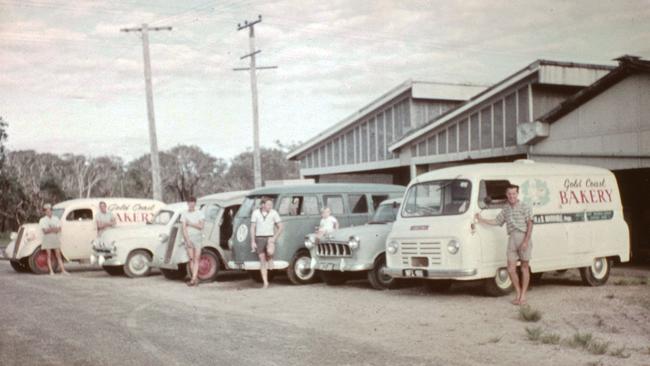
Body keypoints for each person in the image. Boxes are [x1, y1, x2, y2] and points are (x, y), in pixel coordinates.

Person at [475, 184, 533, 305]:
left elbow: (530, 224)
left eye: (514, 194)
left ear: (517, 194)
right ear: (506, 195)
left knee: (524, 267)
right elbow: (497, 221)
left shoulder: (525, 206)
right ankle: (518, 293)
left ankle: (523, 296)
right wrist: (481, 220)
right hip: (512, 238)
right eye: (509, 194)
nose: (512, 196)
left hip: (523, 236)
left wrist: (526, 241)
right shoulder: (506, 208)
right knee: (511, 269)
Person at [250, 196, 283, 289]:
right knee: (262, 260)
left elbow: (280, 226)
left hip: (269, 237)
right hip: (259, 238)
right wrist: (252, 241)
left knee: (270, 252)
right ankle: (265, 282)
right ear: (263, 205)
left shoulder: (274, 213)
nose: (270, 206)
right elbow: (252, 227)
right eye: (268, 204)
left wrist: (274, 238)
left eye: (271, 204)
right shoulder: (255, 213)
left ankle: (270, 257)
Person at [39, 203, 68, 275]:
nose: (49, 212)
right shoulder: (42, 220)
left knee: (58, 255)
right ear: (45, 212)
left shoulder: (56, 218)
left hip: (55, 238)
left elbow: (59, 229)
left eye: (50, 210)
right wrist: (53, 229)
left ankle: (63, 270)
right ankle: (51, 271)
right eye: (47, 211)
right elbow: (44, 231)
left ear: (52, 211)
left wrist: (50, 229)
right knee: (48, 255)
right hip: (47, 239)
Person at [181, 196, 205, 287]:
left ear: (195, 203)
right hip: (189, 238)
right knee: (191, 259)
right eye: (189, 202)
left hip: (198, 238)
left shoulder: (200, 213)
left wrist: (190, 223)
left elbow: (201, 226)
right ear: (187, 203)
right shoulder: (184, 213)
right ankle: (194, 278)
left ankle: (194, 278)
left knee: (197, 258)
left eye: (193, 202)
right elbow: (184, 228)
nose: (191, 204)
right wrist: (187, 240)